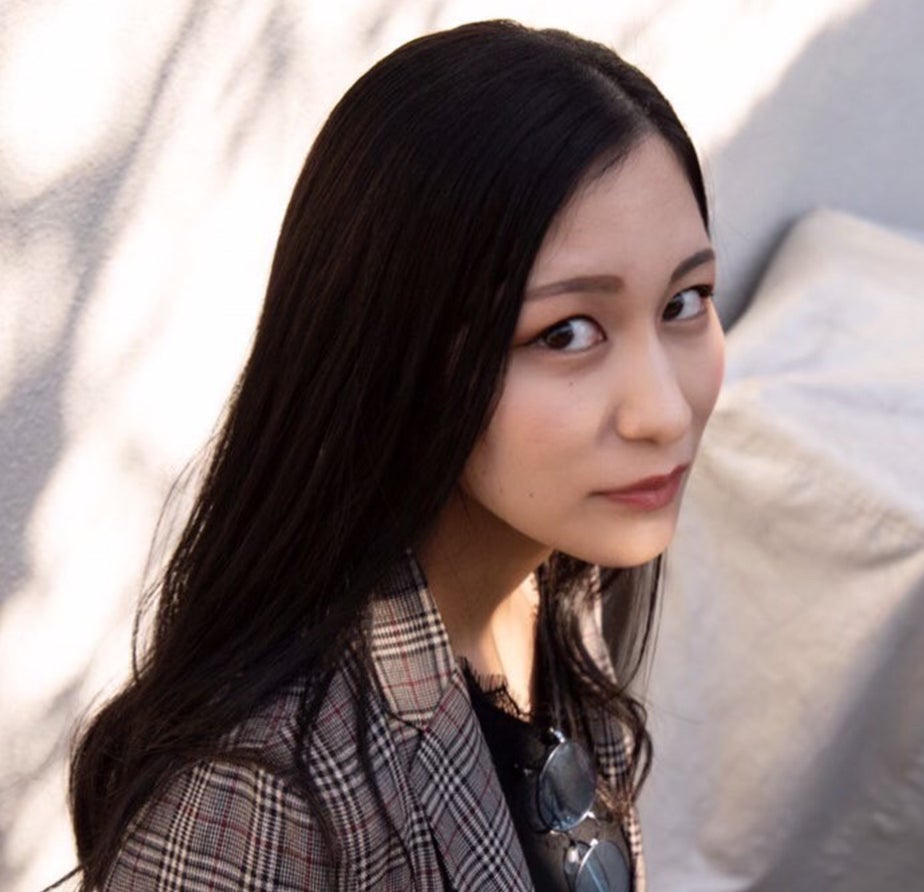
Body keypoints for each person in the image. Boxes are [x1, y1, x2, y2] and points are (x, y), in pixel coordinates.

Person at [64, 19, 724, 891]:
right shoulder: (257, 803)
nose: (665, 411)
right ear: (394, 349)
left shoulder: (548, 597)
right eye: (567, 332)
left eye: (686, 302)